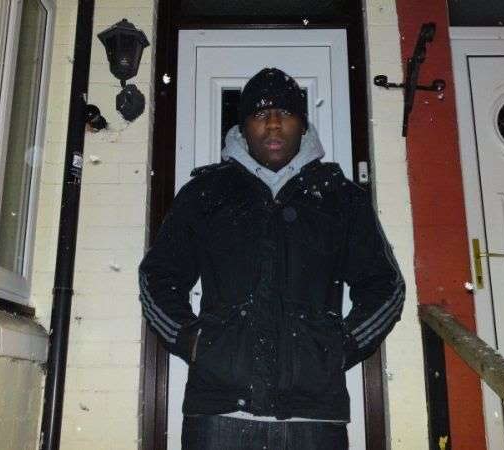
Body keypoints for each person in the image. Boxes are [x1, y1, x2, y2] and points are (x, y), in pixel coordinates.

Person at [138, 67, 405, 450]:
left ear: (302, 124)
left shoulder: (340, 198)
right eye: (261, 113)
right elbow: (158, 278)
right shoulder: (205, 194)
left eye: (286, 112)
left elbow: (385, 286)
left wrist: (341, 347)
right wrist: (191, 340)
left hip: (313, 418)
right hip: (218, 415)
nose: (274, 123)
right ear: (243, 127)